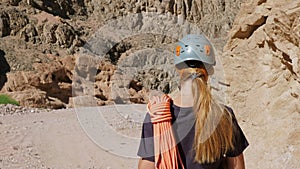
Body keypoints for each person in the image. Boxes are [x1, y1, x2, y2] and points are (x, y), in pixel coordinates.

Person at [137, 34, 249, 169]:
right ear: (209, 71)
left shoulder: (157, 115)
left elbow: (147, 165)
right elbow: (236, 166)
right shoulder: (224, 115)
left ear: (178, 70)